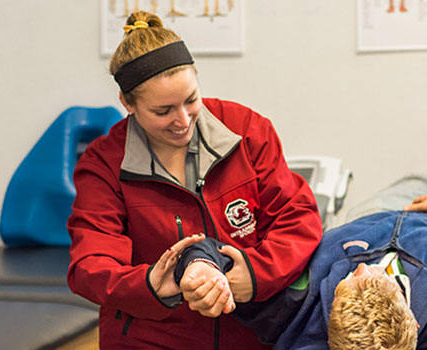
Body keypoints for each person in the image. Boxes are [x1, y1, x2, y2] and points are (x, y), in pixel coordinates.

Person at [66, 11, 323, 349]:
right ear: (128, 103)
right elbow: (91, 264)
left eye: (191, 100)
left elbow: (297, 218)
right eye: (163, 111)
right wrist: (150, 284)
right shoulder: (104, 164)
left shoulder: (246, 130)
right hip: (150, 338)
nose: (183, 120)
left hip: (249, 334)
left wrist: (256, 273)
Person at [176, 172, 427, 349]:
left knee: (413, 180)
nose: (361, 265)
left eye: (348, 280)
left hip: (366, 219)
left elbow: (206, 251)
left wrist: (198, 266)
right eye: (378, 276)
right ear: (411, 317)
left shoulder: (290, 305)